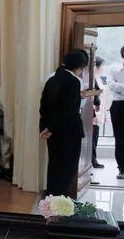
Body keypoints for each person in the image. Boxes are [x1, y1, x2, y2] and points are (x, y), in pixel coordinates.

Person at [40, 49, 95, 197]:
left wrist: (45, 127)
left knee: (54, 166)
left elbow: (43, 106)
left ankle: (51, 199)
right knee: (68, 169)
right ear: (81, 66)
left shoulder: (52, 79)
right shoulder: (74, 81)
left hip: (51, 131)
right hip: (69, 131)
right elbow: (69, 110)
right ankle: (60, 200)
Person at [108, 44, 124, 179]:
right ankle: (122, 168)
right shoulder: (114, 69)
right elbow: (112, 87)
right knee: (119, 139)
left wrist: (121, 87)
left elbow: (118, 88)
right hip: (118, 107)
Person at [92, 56, 105, 170]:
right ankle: (92, 161)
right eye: (102, 65)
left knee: (95, 137)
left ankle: (93, 160)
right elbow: (96, 94)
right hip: (93, 114)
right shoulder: (92, 78)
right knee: (92, 138)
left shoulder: (97, 78)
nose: (103, 68)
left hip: (98, 113)